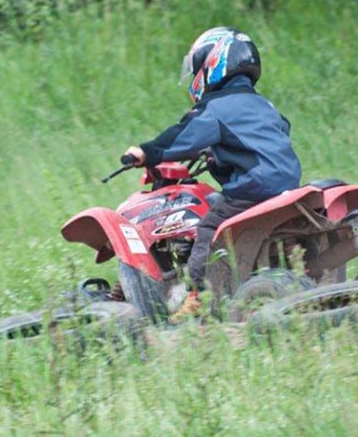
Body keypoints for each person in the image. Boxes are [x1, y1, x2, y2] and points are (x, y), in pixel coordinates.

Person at [123, 27, 301, 322]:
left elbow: (183, 136)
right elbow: (277, 132)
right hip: (287, 184)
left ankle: (198, 296)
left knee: (209, 229)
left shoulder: (216, 108)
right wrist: (221, 153)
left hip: (254, 187)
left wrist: (146, 152)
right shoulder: (264, 104)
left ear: (212, 64)